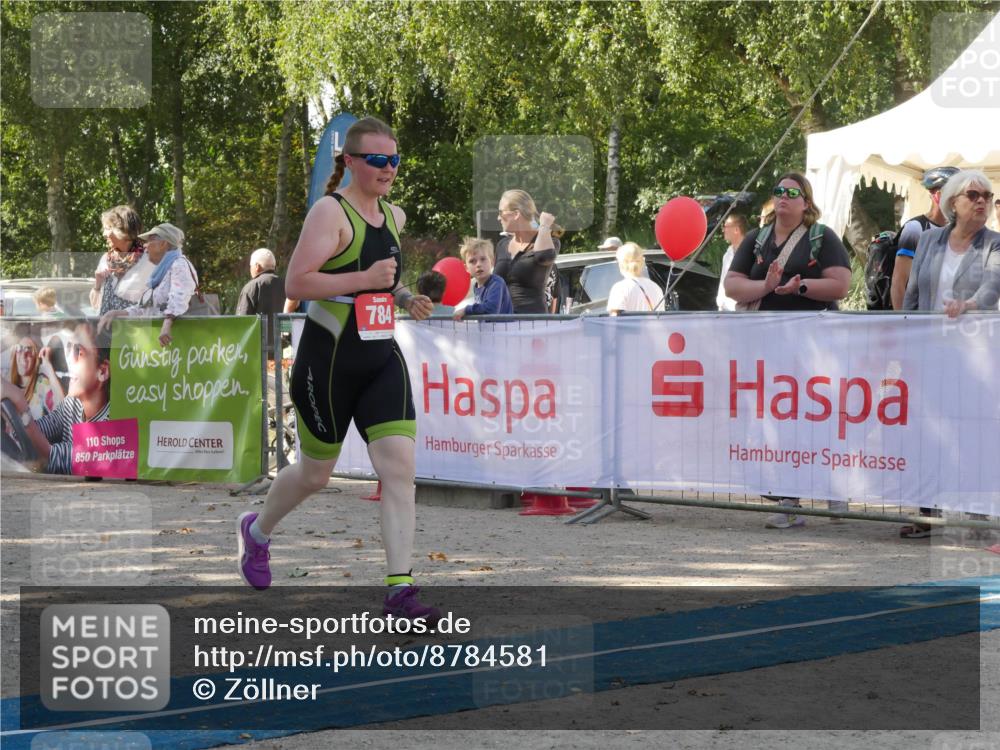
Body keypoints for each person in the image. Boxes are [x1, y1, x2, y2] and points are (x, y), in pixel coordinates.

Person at [235, 116, 438, 621]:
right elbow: (297, 286)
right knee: (315, 474)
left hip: (379, 356)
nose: (388, 169)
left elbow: (385, 282)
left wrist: (406, 296)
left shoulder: (395, 216)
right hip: (327, 362)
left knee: (399, 470)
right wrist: (366, 277)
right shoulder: (330, 213)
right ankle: (256, 533)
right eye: (377, 160)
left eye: (393, 160)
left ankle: (399, 593)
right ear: (350, 161)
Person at [725, 172, 851, 529]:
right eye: (778, 191)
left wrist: (802, 287)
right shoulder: (756, 238)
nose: (782, 197)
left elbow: (841, 284)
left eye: (791, 192)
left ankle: (834, 491)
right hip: (769, 348)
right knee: (779, 421)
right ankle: (789, 499)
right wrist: (763, 286)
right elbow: (732, 285)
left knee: (821, 416)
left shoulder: (821, 237)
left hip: (815, 346)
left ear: (805, 203)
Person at [1, 320, 110, 474]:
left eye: (78, 351)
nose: (69, 359)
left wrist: (20, 403)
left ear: (102, 372)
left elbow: (52, 456)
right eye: (68, 348)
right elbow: (39, 429)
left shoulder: (111, 424)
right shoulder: (73, 405)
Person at [97, 222, 197, 347]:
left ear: (163, 244)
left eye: (149, 241)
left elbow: (179, 298)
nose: (144, 246)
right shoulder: (161, 272)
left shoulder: (179, 264)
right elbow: (145, 309)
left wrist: (166, 326)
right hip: (160, 343)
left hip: (177, 342)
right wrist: (116, 313)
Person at [889, 167, 959, 310]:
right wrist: (904, 322)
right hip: (921, 320)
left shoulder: (959, 230)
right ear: (939, 196)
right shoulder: (915, 229)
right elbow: (899, 282)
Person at [493, 189, 560, 314]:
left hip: (531, 325)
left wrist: (544, 227)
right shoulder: (502, 245)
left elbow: (543, 256)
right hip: (501, 324)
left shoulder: (550, 242)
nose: (498, 217)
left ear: (516, 214)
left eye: (501, 212)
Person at [91, 205, 155, 315]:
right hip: (105, 328)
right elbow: (95, 305)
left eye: (107, 228)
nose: (104, 234)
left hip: (134, 328)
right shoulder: (105, 259)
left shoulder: (149, 260)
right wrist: (97, 285)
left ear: (123, 231)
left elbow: (157, 301)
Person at [236, 248, 286, 358]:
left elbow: (241, 322)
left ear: (257, 266)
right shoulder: (286, 285)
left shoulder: (251, 287)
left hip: (257, 354)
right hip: (283, 353)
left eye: (251, 266)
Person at [8, 333, 64, 420]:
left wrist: (48, 367)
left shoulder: (41, 383)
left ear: (36, 359)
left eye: (29, 350)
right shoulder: (7, 380)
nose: (23, 355)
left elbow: (63, 410)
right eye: (19, 348)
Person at [453, 237, 513, 319]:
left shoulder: (496, 283)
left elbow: (491, 309)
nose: (478, 264)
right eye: (472, 261)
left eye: (483, 259)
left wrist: (466, 310)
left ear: (492, 262)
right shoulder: (476, 286)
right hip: (489, 330)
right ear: (466, 268)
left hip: (503, 329)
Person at [607, 242, 665, 314]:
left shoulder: (620, 288)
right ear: (642, 263)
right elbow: (661, 319)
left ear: (621, 264)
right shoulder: (656, 287)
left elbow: (614, 321)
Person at [716, 214, 748, 311]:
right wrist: (720, 303)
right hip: (725, 310)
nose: (723, 230)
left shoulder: (750, 253)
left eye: (725, 226)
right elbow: (723, 281)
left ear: (736, 230)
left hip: (741, 311)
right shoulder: (728, 253)